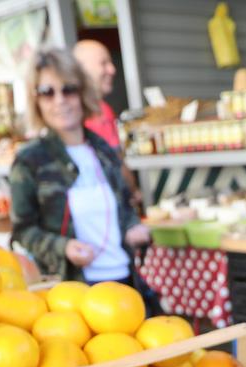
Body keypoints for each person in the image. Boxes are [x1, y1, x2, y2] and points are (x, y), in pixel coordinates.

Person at [9, 48, 149, 284]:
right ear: (36, 101)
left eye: (69, 89)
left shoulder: (103, 150)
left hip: (124, 279)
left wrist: (133, 227)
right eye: (47, 92)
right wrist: (64, 247)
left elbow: (124, 207)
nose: (60, 100)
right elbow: (23, 230)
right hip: (72, 289)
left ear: (82, 92)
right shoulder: (30, 161)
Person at [72, 39, 121, 148]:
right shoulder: (72, 118)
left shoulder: (104, 109)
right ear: (82, 69)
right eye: (103, 63)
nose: (112, 70)